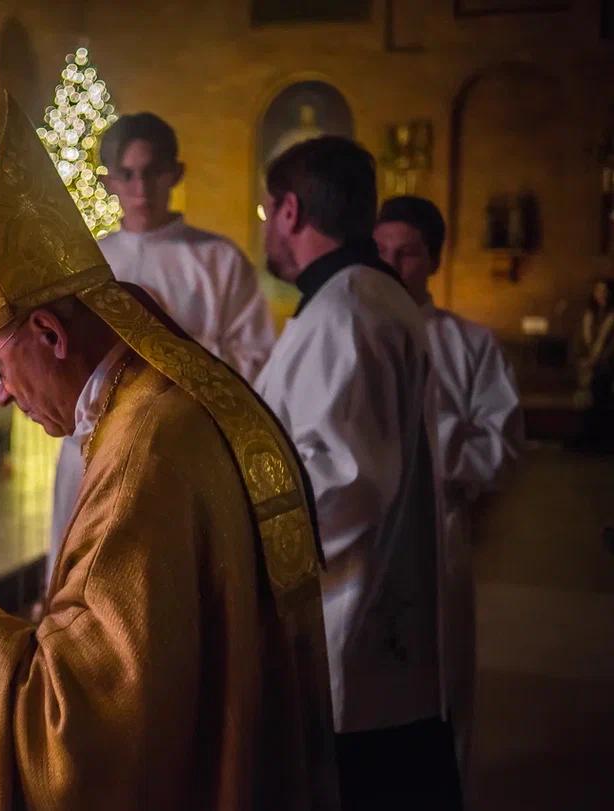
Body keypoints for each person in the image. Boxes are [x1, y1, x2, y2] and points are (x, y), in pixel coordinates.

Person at [0, 96, 338, 809]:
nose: (1, 395)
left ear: (49, 332)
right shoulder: (154, 409)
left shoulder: (147, 453)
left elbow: (73, 729)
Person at [253, 138, 460, 809]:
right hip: (370, 627)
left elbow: (341, 486)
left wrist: (237, 538)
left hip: (353, 630)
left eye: (265, 211)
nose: (264, 227)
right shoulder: (362, 298)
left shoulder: (347, 312)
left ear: (290, 210)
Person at [48, 113, 275, 558]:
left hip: (185, 444)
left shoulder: (216, 260)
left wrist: (173, 356)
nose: (141, 188)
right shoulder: (89, 263)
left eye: (152, 172)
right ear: (109, 180)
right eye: (128, 174)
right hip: (96, 442)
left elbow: (256, 355)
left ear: (175, 173)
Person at [375, 195, 523, 775]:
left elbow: (503, 450)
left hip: (440, 533)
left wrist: (438, 437)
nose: (391, 266)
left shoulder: (469, 345)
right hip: (364, 536)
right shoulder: (351, 334)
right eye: (380, 251)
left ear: (432, 260)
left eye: (406, 253)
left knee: (440, 676)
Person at [576, 278, 614, 450]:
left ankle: (601, 440)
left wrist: (598, 360)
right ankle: (588, 438)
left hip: (606, 366)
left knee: (601, 397)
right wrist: (584, 359)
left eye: (605, 291)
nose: (602, 294)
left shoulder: (611, 316)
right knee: (586, 401)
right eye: (598, 291)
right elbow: (581, 341)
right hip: (588, 365)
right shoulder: (588, 316)